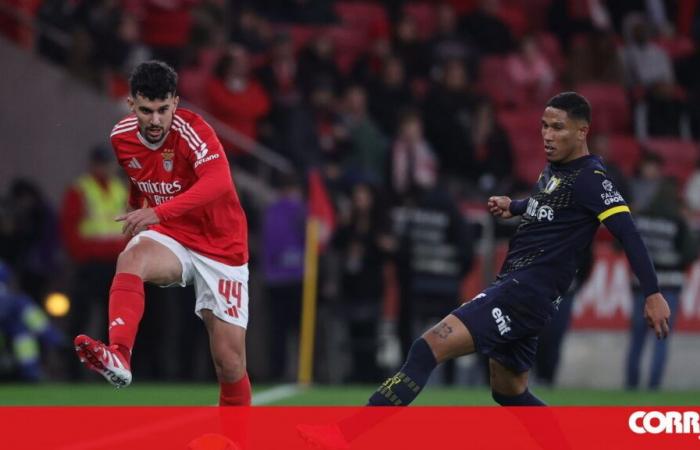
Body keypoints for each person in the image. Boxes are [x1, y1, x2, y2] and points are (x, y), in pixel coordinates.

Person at [298, 92, 671, 449]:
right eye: (543, 126)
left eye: (557, 127)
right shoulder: (557, 170)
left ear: (582, 131)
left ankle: (343, 435)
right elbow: (551, 203)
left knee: (428, 346)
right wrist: (517, 206)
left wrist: (652, 292)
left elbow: (629, 233)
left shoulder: (593, 179)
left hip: (523, 292)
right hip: (526, 293)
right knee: (508, 391)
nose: (547, 135)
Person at [73, 60, 252, 406]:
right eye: (146, 110)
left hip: (221, 247)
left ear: (175, 103)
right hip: (172, 236)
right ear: (131, 105)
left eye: (162, 110)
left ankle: (235, 441)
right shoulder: (121, 138)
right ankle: (119, 354)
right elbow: (140, 180)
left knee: (229, 364)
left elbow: (219, 182)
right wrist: (139, 213)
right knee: (132, 257)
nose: (155, 121)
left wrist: (156, 211)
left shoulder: (194, 131)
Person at [625, 155, 697, 389]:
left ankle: (631, 385)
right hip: (670, 286)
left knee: (636, 338)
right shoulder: (677, 221)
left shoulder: (642, 217)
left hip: (642, 286)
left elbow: (625, 243)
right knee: (661, 339)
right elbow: (689, 253)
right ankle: (653, 387)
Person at [60, 145, 128, 379]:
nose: (105, 168)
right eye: (101, 163)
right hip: (89, 264)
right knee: (80, 317)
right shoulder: (80, 190)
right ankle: (72, 371)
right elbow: (70, 229)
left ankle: (108, 369)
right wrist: (82, 255)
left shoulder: (120, 189)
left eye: (107, 163)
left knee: (112, 321)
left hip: (115, 264)